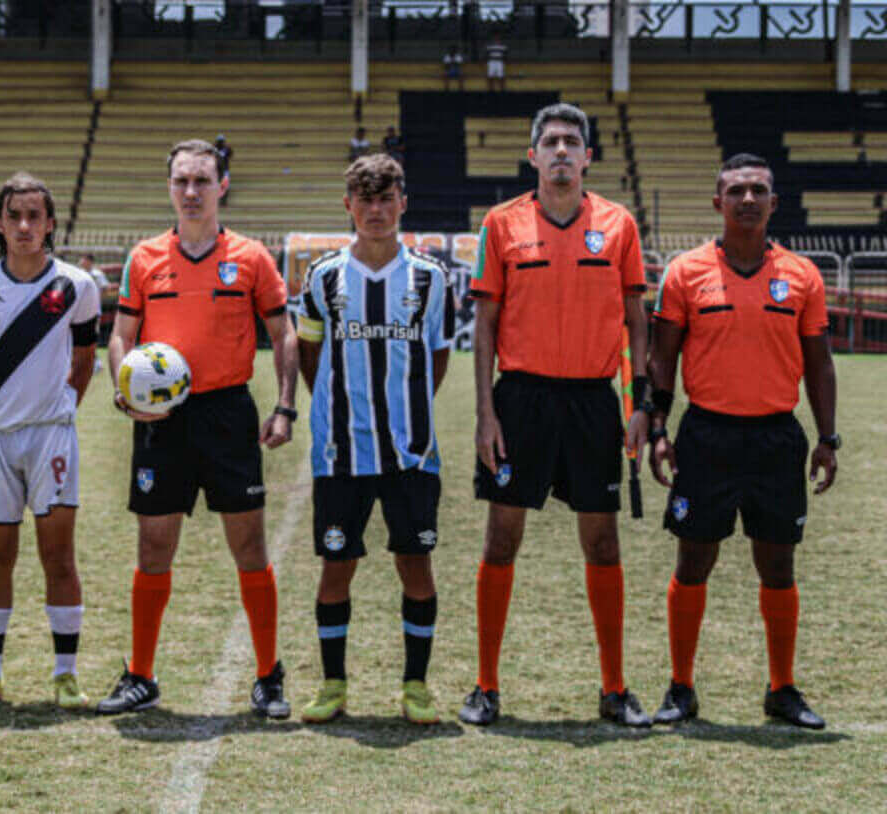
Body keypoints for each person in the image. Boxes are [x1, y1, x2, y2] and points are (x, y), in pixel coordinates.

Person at [461, 103, 653, 727]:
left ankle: (614, 687)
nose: (563, 151)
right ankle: (486, 685)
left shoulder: (619, 225)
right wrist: (487, 413)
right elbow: (485, 324)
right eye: (552, 142)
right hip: (521, 399)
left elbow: (636, 321)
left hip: (595, 402)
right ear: (534, 154)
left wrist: (638, 402)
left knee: (602, 541)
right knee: (502, 538)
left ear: (589, 156)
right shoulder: (501, 223)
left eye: (573, 141)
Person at [101, 139, 299, 717]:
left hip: (226, 414)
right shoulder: (144, 259)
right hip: (162, 420)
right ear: (170, 187)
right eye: (181, 181)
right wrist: (125, 393)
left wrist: (284, 406)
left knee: (249, 546)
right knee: (154, 546)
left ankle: (268, 675)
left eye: (202, 181)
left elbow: (282, 331)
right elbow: (120, 336)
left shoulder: (252, 257)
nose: (191, 192)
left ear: (222, 187)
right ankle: (140, 675)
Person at [646, 153, 837, 729]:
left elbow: (820, 365)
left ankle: (782, 688)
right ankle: (681, 686)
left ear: (774, 203)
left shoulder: (803, 275)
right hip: (707, 435)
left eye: (758, 191)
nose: (747, 200)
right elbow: (663, 359)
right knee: (694, 559)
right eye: (736, 191)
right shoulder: (685, 271)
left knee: (777, 564)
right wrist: (658, 430)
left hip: (777, 438)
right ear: (717, 202)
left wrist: (827, 439)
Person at [295, 154, 455, 725]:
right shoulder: (323, 276)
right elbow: (309, 350)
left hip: (412, 453)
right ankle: (333, 684)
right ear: (348, 207)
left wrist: (406, 410)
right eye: (365, 200)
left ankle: (416, 685)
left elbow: (437, 356)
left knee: (416, 565)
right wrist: (335, 406)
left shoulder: (431, 279)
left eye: (386, 199)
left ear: (402, 204)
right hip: (340, 452)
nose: (376, 210)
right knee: (337, 567)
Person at [0, 172, 100, 710]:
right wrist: (7, 405)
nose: (24, 225)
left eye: (35, 215)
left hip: (52, 439)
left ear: (51, 223)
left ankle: (66, 675)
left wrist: (57, 409)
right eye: (14, 215)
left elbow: (84, 360)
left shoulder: (77, 287)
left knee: (58, 556)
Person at [215, 133, 233, 206]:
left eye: (221, 141)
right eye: (219, 141)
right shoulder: (214, 148)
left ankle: (223, 201)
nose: (220, 143)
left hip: (225, 170)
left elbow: (230, 154)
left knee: (225, 185)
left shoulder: (226, 149)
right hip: (216, 170)